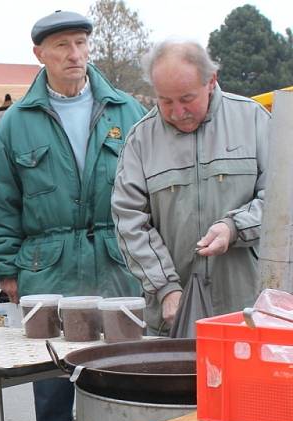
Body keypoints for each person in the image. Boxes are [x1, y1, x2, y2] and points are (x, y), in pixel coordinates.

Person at [0, 10, 145, 421]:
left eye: (80, 43)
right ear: (39, 54)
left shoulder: (128, 110)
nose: (74, 54)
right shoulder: (16, 123)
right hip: (46, 270)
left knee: (120, 375)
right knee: (52, 385)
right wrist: (8, 270)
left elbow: (152, 194)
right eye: (62, 46)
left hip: (117, 263)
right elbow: (2, 203)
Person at [111, 40, 269, 333]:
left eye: (186, 98)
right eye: (165, 101)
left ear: (211, 81)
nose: (177, 111)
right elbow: (129, 222)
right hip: (174, 317)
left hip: (247, 313)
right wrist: (165, 287)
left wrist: (234, 228)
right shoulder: (140, 140)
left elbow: (281, 201)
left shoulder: (255, 120)